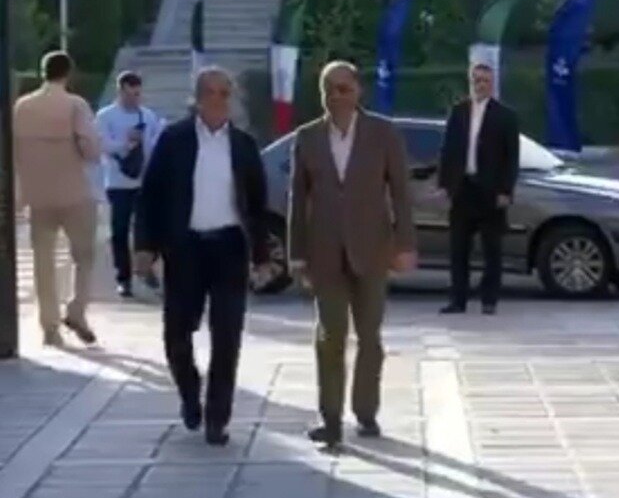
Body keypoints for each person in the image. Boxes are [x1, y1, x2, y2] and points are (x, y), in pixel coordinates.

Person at [134, 66, 272, 446]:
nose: (218, 100)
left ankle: (217, 418)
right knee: (177, 333)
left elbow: (257, 204)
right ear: (197, 98)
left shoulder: (243, 144)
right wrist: (145, 247)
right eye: (210, 92)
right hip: (185, 248)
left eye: (224, 93)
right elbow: (150, 196)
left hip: (229, 247)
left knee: (227, 335)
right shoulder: (174, 140)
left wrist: (261, 256)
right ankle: (189, 393)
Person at [288, 60, 417, 450]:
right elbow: (298, 200)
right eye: (328, 90)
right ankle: (330, 418)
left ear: (358, 91)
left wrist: (405, 244)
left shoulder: (382, 133)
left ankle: (365, 409)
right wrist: (297, 254)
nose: (336, 97)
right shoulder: (308, 137)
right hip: (325, 252)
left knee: (369, 337)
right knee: (329, 336)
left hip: (372, 249)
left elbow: (401, 193)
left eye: (343, 88)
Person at [13, 51, 101, 347]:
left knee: (43, 262)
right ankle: (76, 310)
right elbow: (90, 149)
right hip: (74, 191)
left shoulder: (22, 107)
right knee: (84, 256)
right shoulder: (75, 105)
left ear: (42, 72)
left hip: (38, 194)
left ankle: (49, 326)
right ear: (69, 73)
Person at [437, 62, 520, 316]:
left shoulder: (505, 115)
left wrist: (506, 190)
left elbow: (511, 157)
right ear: (470, 82)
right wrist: (445, 184)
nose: (480, 85)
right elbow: (448, 150)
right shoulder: (459, 112)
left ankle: (489, 299)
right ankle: (458, 299)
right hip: (463, 188)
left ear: (492, 84)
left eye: (485, 80)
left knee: (491, 249)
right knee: (458, 248)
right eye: (476, 80)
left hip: (491, 191)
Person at [96, 71, 164, 298]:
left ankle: (146, 265)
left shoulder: (147, 115)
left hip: (144, 181)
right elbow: (102, 144)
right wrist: (126, 143)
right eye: (130, 94)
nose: (134, 99)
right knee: (120, 231)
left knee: (150, 229)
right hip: (118, 182)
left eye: (137, 94)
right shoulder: (106, 116)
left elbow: (154, 145)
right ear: (120, 91)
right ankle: (123, 278)